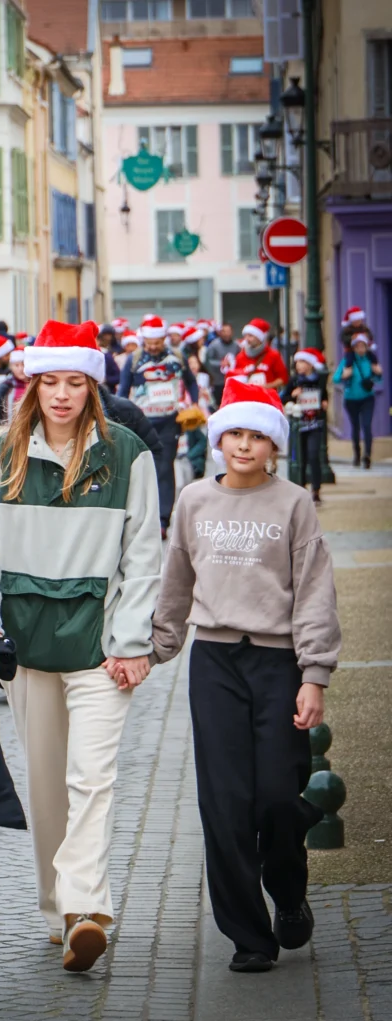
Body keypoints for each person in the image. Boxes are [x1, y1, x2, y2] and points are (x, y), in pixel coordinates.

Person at [0, 319, 162, 973]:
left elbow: (145, 557)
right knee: (46, 782)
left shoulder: (128, 452)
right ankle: (56, 907)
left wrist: (132, 642)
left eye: (76, 381)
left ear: (93, 386)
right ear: (33, 387)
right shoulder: (1, 453)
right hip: (26, 647)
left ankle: (85, 910)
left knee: (91, 778)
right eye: (51, 382)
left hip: (101, 649)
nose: (64, 394)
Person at [150, 378, 340, 974]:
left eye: (258, 436)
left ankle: (287, 890)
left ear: (274, 446)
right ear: (217, 439)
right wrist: (152, 650)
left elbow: (313, 592)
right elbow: (175, 581)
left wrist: (314, 674)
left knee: (280, 798)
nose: (244, 445)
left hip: (279, 661)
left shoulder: (293, 504)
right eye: (234, 432)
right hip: (215, 661)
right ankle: (248, 936)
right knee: (225, 804)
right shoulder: (193, 502)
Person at [118, 315, 199, 539]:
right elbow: (123, 391)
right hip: (142, 421)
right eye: (149, 342)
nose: (153, 347)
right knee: (143, 467)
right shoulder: (134, 359)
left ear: (164, 338)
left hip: (169, 420)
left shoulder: (177, 356)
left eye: (157, 342)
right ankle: (143, 516)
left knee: (164, 468)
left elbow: (191, 382)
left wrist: (193, 402)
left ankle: (163, 520)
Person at [281, 348, 329, 504]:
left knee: (314, 456)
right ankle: (300, 489)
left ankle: (316, 490)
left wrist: (324, 403)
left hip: (315, 424)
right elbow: (284, 399)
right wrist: (292, 396)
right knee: (299, 458)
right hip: (298, 425)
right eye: (296, 363)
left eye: (301, 362)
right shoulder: (294, 380)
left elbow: (324, 395)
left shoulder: (319, 381)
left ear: (310, 364)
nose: (298, 365)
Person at [333, 333, 382, 469]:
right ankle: (356, 454)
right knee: (356, 427)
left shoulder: (371, 360)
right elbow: (335, 379)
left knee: (367, 426)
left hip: (367, 398)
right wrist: (345, 374)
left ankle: (367, 456)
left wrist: (378, 373)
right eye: (358, 346)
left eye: (363, 346)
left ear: (367, 347)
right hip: (351, 400)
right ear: (354, 348)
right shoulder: (347, 361)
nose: (360, 349)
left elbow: (379, 380)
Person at [230, 319, 288, 391]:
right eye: (245, 336)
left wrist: (267, 386)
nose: (247, 339)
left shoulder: (273, 355)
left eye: (250, 336)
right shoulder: (240, 356)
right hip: (248, 398)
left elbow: (283, 379)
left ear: (259, 337)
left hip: (267, 398)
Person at [0, 347, 30, 428]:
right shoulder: (6, 385)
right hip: (9, 428)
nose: (21, 369)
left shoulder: (34, 384)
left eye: (23, 364)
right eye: (16, 365)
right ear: (11, 367)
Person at [205, 322, 240, 407]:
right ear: (220, 333)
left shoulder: (236, 346)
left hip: (233, 380)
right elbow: (207, 362)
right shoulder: (214, 345)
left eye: (228, 331)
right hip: (218, 381)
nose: (226, 334)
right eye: (224, 331)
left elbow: (240, 360)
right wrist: (220, 363)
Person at [96, 324, 123, 393]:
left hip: (107, 391)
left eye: (109, 335)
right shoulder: (93, 353)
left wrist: (106, 379)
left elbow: (118, 377)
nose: (107, 338)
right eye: (105, 335)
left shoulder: (109, 355)